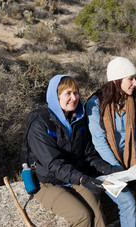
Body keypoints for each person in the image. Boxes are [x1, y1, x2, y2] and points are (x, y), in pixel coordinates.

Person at [86, 57, 136, 227]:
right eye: (130, 78)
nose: (135, 83)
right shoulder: (95, 105)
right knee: (128, 203)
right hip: (106, 166)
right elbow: (99, 142)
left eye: (135, 78)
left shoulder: (133, 101)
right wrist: (117, 170)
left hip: (133, 164)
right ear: (116, 81)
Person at [28, 74, 120, 226]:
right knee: (82, 216)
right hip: (48, 182)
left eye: (76, 93)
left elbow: (89, 155)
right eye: (68, 93)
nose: (74, 97)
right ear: (56, 97)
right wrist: (82, 179)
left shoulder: (78, 120)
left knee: (98, 217)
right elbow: (53, 164)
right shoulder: (41, 125)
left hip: (74, 177)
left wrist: (109, 169)